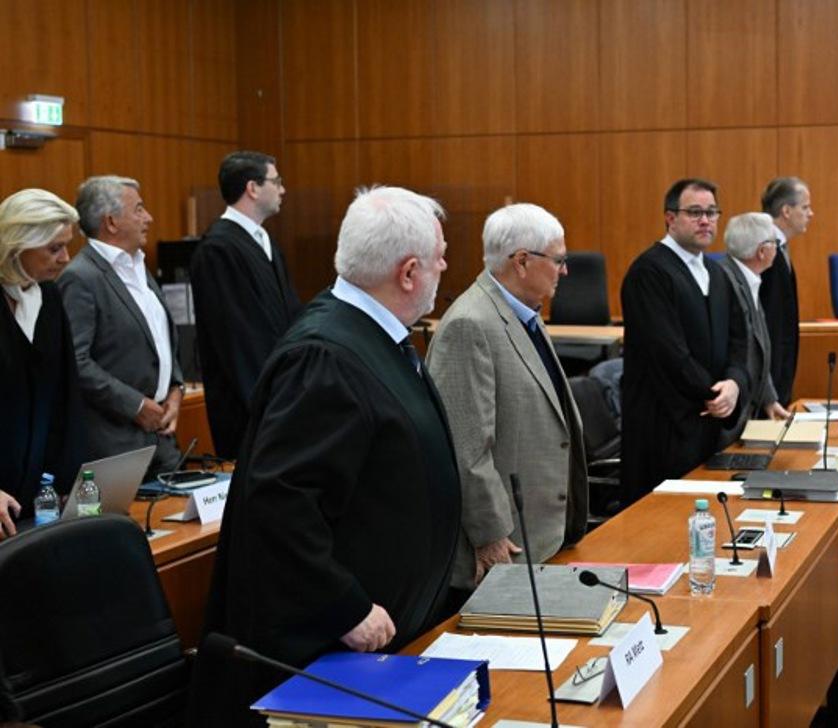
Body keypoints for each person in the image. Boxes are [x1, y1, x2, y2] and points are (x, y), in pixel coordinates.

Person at [189, 187, 461, 727]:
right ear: (408, 273)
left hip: (389, 640)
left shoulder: (373, 336)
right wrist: (345, 607)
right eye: (440, 257)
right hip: (328, 652)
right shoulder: (325, 356)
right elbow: (279, 502)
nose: (446, 266)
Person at [426, 203, 588, 602]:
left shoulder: (525, 313)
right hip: (506, 551)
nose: (564, 271)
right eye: (559, 260)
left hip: (544, 538)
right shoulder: (470, 324)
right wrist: (490, 535)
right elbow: (467, 449)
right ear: (521, 262)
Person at [620, 178, 748, 505]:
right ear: (670, 218)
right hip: (663, 429)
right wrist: (713, 395)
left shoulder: (718, 274)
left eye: (711, 212)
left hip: (709, 425)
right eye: (694, 212)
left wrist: (733, 384)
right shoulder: (649, 272)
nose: (705, 220)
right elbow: (668, 354)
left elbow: (739, 342)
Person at [58, 176, 183, 476]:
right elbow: (76, 361)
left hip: (162, 437)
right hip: (115, 443)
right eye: (139, 209)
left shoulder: (138, 266)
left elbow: (159, 337)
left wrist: (176, 388)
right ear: (111, 222)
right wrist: (137, 406)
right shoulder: (80, 277)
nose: (148, 218)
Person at [190, 150, 302, 459]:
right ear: (252, 188)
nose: (282, 189)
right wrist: (272, 403)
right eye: (276, 181)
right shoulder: (219, 249)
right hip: (251, 410)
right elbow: (237, 340)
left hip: (280, 400)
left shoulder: (263, 240)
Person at [0, 189, 84, 538]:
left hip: (36, 498)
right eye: (54, 248)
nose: (66, 258)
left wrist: (68, 478)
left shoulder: (49, 296)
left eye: (66, 245)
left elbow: (66, 393)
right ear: (16, 246)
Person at [718, 212, 791, 445]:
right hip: (728, 413)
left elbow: (760, 345)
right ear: (762, 251)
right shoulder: (725, 281)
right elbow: (742, 348)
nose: (777, 250)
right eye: (775, 244)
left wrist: (769, 399)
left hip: (745, 407)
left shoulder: (748, 277)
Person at [759, 177, 812, 404]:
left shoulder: (779, 248)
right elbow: (767, 319)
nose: (811, 213)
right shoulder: (764, 250)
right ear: (786, 211)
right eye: (805, 207)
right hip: (769, 374)